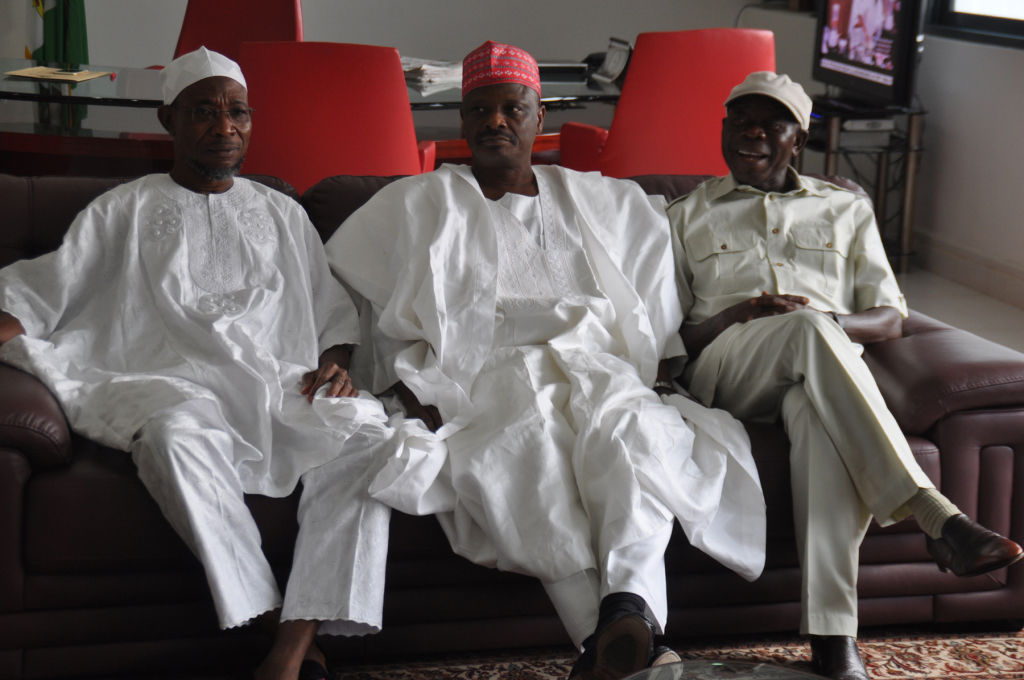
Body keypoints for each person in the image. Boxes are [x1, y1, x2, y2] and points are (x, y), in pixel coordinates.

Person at [325, 41, 767, 680]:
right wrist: (384, 374)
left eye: (512, 108)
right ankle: (635, 643)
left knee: (635, 442)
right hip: (489, 372)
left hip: (600, 365)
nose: (495, 122)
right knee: (531, 458)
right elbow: (349, 288)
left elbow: (653, 298)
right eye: (480, 109)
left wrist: (664, 371)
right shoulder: (416, 203)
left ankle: (619, 627)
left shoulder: (608, 203)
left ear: (540, 118)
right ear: (463, 121)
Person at [0, 48, 399, 680]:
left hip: (279, 383)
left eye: (237, 112)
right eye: (204, 113)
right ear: (170, 120)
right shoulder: (122, 210)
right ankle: (283, 632)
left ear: (252, 120)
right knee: (170, 438)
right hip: (169, 383)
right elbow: (46, 292)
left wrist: (336, 362)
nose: (224, 128)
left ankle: (287, 652)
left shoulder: (283, 213)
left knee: (372, 439)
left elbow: (329, 313)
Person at [666, 71, 1023, 680]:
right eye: (740, 120)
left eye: (770, 122)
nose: (752, 132)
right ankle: (939, 518)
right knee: (806, 331)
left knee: (817, 415)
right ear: (724, 130)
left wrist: (830, 323)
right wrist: (740, 311)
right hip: (729, 367)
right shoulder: (684, 215)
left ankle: (835, 644)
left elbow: (888, 318)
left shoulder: (846, 209)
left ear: (796, 139)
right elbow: (672, 345)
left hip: (822, 371)